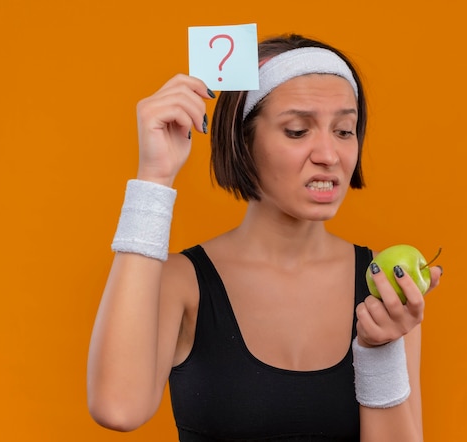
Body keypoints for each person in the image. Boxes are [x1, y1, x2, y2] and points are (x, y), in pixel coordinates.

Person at [87, 33, 442, 441]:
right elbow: (117, 408)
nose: (329, 154)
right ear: (243, 141)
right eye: (296, 131)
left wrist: (380, 353)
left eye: (344, 130)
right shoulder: (182, 282)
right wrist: (154, 177)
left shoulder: (384, 285)